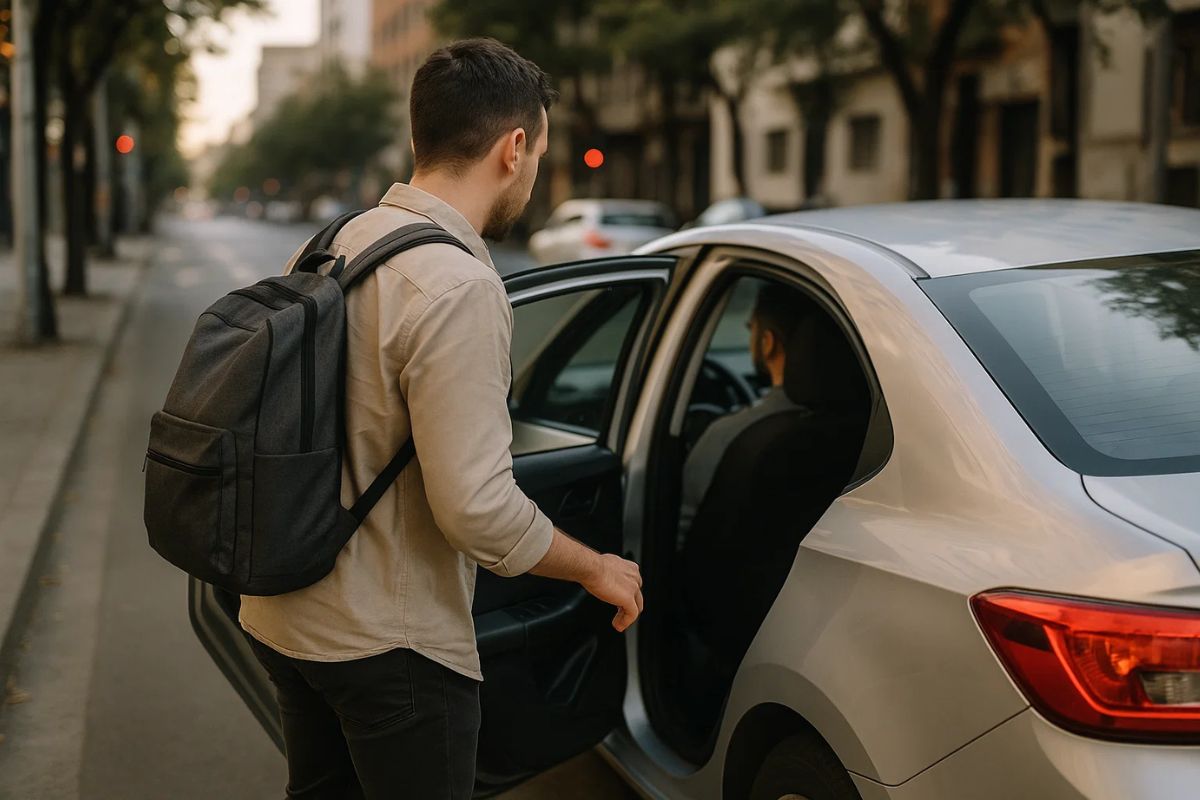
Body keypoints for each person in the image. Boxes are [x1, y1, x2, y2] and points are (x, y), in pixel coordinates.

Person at [237, 39, 643, 800]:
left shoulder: (330, 245)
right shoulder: (458, 284)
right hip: (389, 650)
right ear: (513, 147)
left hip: (283, 613)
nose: (534, 174)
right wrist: (596, 568)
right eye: (540, 154)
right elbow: (478, 510)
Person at [677, 283, 809, 537]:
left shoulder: (730, 436)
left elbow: (689, 532)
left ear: (767, 342)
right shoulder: (862, 430)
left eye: (752, 329)